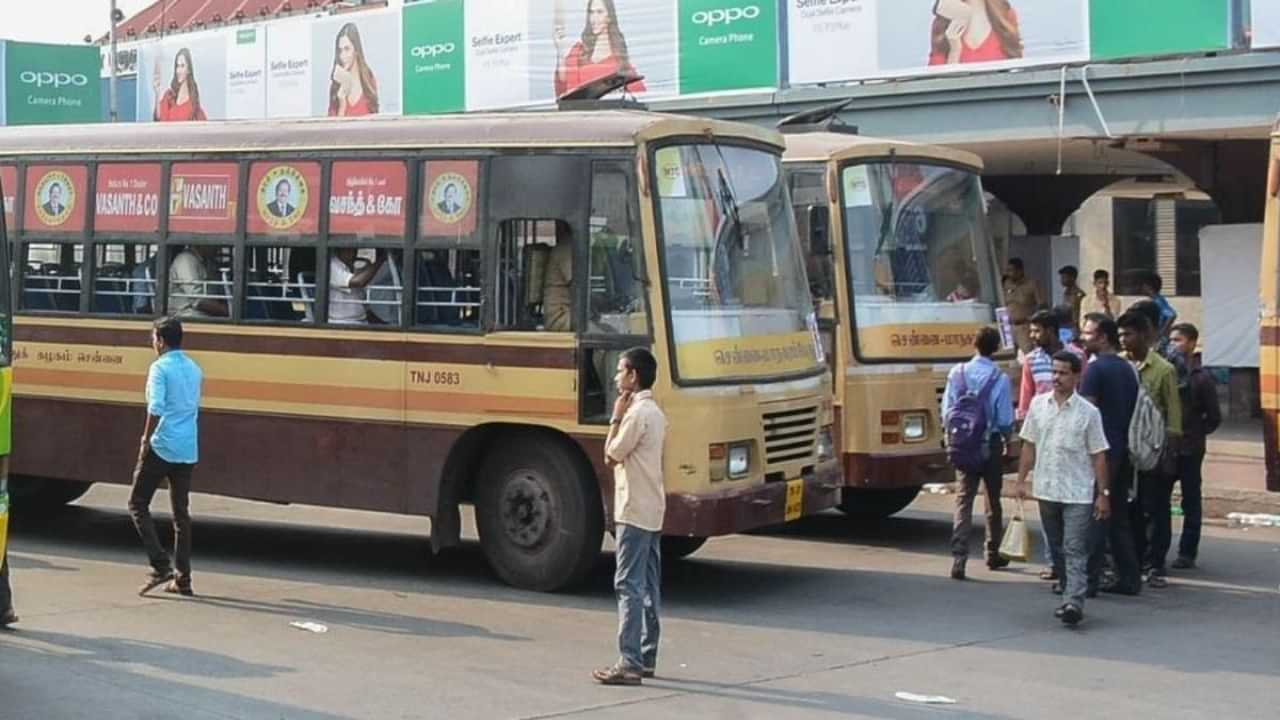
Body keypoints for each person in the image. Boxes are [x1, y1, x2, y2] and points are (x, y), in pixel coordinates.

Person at [1016, 351, 1110, 626]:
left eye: (1063, 373)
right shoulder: (1038, 405)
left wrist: (1103, 495)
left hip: (1078, 492)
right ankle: (1069, 589)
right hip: (1047, 489)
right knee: (1056, 548)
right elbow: (1029, 445)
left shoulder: (1089, 413)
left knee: (1074, 547)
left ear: (1077, 376)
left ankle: (1073, 602)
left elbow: (1099, 454)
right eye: (1054, 372)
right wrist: (1021, 481)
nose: (1056, 378)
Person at [593, 347, 667, 686]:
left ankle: (629, 661)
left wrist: (615, 416)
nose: (616, 377)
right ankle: (647, 655)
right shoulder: (657, 412)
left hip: (633, 509)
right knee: (649, 584)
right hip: (652, 508)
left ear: (633, 376)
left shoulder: (636, 415)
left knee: (628, 584)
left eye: (620, 371)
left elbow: (611, 454)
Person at [131, 317, 204, 597]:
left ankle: (160, 564)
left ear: (160, 340)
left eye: (153, 339)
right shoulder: (194, 368)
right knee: (180, 515)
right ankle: (183, 579)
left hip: (162, 445)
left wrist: (145, 440)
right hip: (187, 448)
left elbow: (156, 407)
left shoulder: (159, 368)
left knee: (137, 503)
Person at [942, 327, 1014, 580]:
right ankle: (993, 552)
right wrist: (1008, 437)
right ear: (995, 348)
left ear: (974, 344)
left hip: (962, 444)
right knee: (993, 500)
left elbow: (947, 412)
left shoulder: (957, 373)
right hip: (990, 444)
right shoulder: (999, 379)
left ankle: (959, 556)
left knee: (964, 499)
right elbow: (1005, 419)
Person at [1079, 313, 1143, 596]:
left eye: (1088, 332)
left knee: (1096, 515)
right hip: (1121, 447)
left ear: (1103, 337)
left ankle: (1088, 581)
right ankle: (1129, 578)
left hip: (1100, 453)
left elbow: (1086, 414)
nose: (1083, 337)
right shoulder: (1127, 368)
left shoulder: (1095, 370)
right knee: (1116, 517)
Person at [1118, 310, 1182, 589]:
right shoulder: (1118, 366)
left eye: (1128, 334)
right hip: (1126, 451)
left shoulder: (1163, 370)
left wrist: (1169, 455)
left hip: (1154, 452)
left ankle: (1156, 564)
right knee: (1130, 509)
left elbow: (1174, 417)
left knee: (1155, 509)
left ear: (1145, 336)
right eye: (1120, 334)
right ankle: (1133, 561)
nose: (1123, 339)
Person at [1168, 323, 1221, 570]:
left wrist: (1197, 433)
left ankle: (1187, 552)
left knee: (1190, 500)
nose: (1173, 345)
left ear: (1191, 343)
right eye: (1171, 340)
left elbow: (1214, 417)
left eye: (1178, 340)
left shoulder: (1201, 378)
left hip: (1191, 447)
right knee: (1157, 501)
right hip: (1168, 447)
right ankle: (1154, 551)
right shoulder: (1166, 372)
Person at [554, 0, 647, 98]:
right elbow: (564, 84)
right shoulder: (579, 51)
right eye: (591, 12)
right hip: (581, 111)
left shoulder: (619, 59)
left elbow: (640, 94)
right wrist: (560, 49)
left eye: (599, 12)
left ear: (609, 17)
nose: (594, 19)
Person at [928, 0, 1024, 66]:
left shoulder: (1005, 16)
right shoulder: (942, 23)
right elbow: (939, 87)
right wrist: (954, 51)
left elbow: (1017, 73)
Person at [328, 23, 379, 117]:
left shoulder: (368, 80)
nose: (342, 56)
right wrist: (342, 103)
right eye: (340, 50)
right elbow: (333, 128)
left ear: (356, 50)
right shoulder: (336, 86)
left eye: (347, 49)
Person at [329, 247, 387, 324]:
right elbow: (358, 282)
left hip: (360, 320)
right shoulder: (332, 265)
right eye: (349, 249)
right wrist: (380, 261)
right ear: (339, 249)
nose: (354, 253)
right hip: (342, 322)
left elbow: (362, 306)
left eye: (355, 249)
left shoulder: (351, 266)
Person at [168, 245, 228, 318]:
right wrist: (222, 309)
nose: (218, 249)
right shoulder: (186, 260)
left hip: (207, 312)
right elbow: (196, 299)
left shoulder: (208, 261)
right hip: (187, 314)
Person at [153, 48, 207, 122]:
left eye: (182, 66)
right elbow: (159, 119)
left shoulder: (193, 104)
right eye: (177, 66)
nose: (178, 70)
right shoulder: (169, 96)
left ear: (188, 69)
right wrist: (157, 93)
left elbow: (203, 126)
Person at [1002, 257, 1041, 352]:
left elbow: (1042, 305)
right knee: (1010, 358)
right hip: (1008, 327)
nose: (1008, 273)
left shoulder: (1031, 284)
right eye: (1007, 270)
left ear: (1020, 271)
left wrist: (1033, 320)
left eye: (1011, 270)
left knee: (1028, 355)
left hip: (1025, 327)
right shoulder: (1006, 284)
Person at [543, 224, 574, 331]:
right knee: (598, 331)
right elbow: (577, 285)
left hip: (572, 313)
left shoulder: (575, 246)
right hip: (559, 316)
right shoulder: (566, 247)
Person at [1136, 270, 1177, 338]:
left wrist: (1161, 332)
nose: (1140, 288)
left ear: (1148, 286)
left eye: (1142, 285)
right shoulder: (1156, 299)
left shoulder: (1157, 301)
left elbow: (1171, 315)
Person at [1058, 265, 1086, 332]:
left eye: (1064, 277)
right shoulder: (1066, 293)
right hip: (1065, 326)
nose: (1061, 280)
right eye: (1061, 277)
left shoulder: (1079, 294)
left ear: (1072, 278)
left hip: (1075, 328)